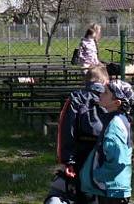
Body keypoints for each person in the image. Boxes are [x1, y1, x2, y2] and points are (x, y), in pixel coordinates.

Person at [45, 66, 110, 204]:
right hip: (105, 153)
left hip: (81, 153)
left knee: (79, 188)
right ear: (105, 81)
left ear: (86, 81)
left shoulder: (76, 97)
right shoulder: (111, 98)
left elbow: (66, 130)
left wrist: (67, 160)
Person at [80, 80, 134, 204]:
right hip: (112, 189)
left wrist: (97, 175)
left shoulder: (115, 124)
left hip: (111, 189)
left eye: (105, 93)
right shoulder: (120, 119)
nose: (101, 93)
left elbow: (119, 160)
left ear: (116, 102)